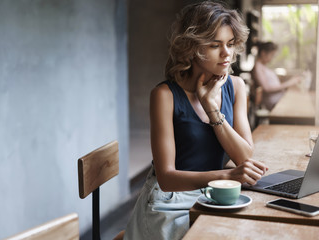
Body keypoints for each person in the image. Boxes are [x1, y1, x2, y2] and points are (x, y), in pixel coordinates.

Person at [124, 2, 268, 240]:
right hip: (170, 202)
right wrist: (227, 176)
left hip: (213, 194)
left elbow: (244, 156)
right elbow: (167, 178)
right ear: (191, 48)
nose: (227, 53)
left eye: (230, 44)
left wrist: (211, 108)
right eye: (215, 45)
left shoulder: (236, 86)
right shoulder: (164, 96)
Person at [251, 41, 302, 110]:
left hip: (279, 99)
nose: (272, 58)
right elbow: (267, 88)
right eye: (272, 55)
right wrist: (289, 83)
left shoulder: (263, 66)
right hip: (274, 102)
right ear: (263, 53)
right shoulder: (257, 67)